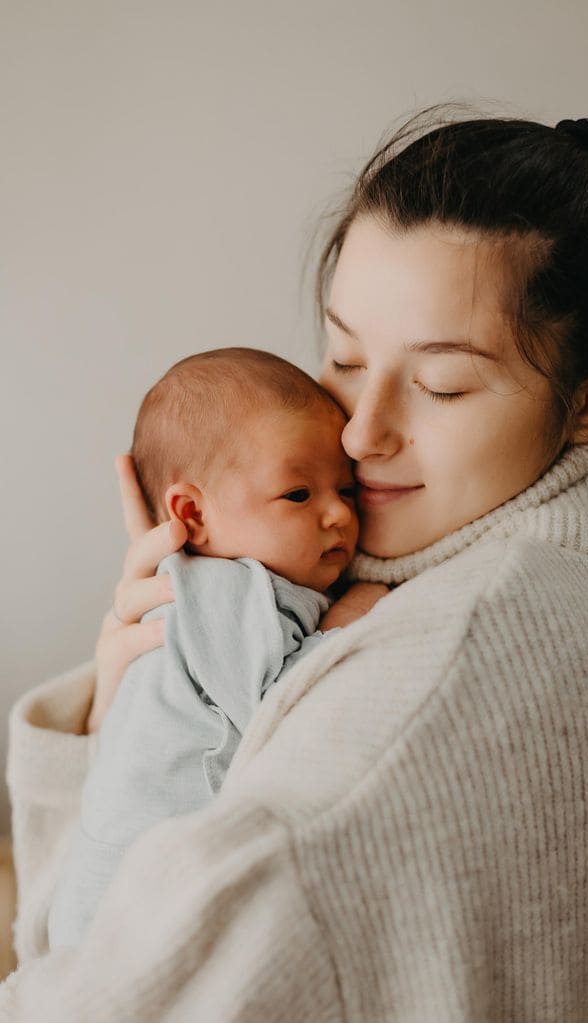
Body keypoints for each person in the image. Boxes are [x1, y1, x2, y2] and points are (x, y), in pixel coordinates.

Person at [3, 106, 588, 1021]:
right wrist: (124, 686)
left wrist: (95, 754)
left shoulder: (423, 688)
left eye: (442, 383)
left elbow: (75, 981)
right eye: (342, 356)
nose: (361, 433)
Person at [47, 346, 386, 949]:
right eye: (298, 495)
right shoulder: (227, 589)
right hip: (130, 889)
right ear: (191, 512)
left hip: (122, 880)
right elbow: (279, 709)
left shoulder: (233, 588)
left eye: (346, 489)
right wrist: (346, 622)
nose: (337, 512)